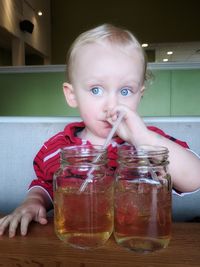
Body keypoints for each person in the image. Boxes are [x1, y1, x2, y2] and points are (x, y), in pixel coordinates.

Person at [0, 23, 200, 238]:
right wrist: (33, 201)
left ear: (139, 94)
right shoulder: (60, 147)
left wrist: (143, 137)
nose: (111, 105)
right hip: (80, 239)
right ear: (72, 95)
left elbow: (194, 179)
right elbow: (46, 184)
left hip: (139, 240)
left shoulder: (150, 143)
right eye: (96, 89)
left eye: (125, 90)